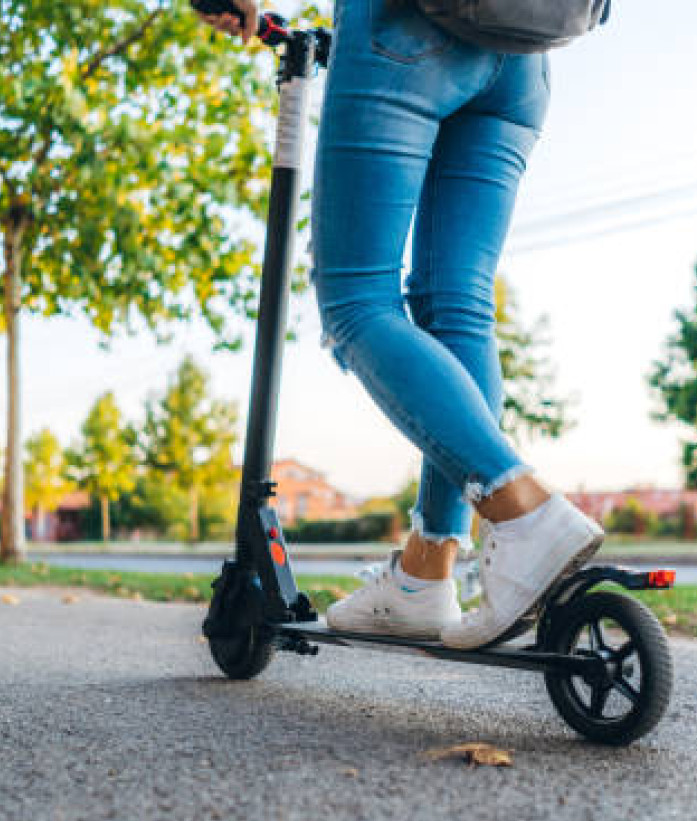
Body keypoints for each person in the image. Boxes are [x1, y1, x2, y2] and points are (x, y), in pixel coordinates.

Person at [197, 0, 604, 649]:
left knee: (358, 299)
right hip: (527, 56)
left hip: (405, 35)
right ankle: (425, 573)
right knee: (457, 303)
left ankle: (522, 511)